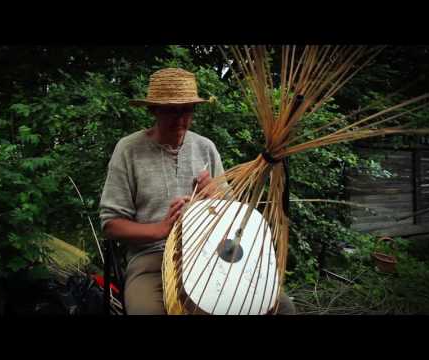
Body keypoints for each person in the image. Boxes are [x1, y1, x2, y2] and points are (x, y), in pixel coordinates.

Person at [99, 67, 296, 315]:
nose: (181, 119)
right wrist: (160, 229)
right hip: (152, 260)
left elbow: (232, 217)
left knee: (281, 307)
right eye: (171, 110)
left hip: (210, 257)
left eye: (187, 110)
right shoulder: (129, 150)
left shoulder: (205, 148)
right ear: (153, 109)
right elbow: (110, 225)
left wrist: (216, 198)